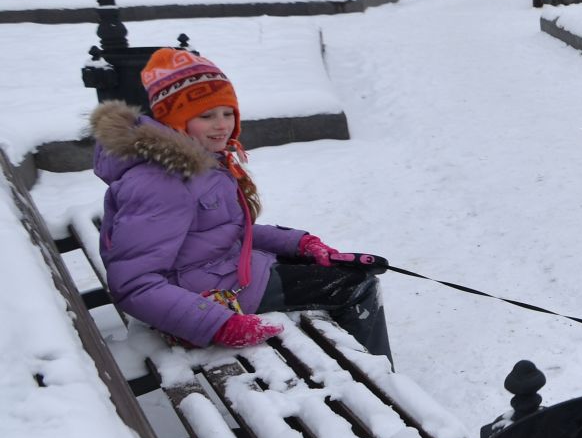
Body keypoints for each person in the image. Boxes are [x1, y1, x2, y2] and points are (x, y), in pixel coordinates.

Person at [89, 48, 391, 359]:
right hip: (207, 295)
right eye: (206, 116)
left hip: (221, 271)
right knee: (356, 288)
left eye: (227, 112)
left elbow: (223, 231)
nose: (222, 125)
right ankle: (379, 387)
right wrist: (218, 324)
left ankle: (347, 363)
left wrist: (301, 244)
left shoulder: (198, 162)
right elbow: (134, 284)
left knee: (339, 272)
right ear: (176, 121)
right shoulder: (163, 181)